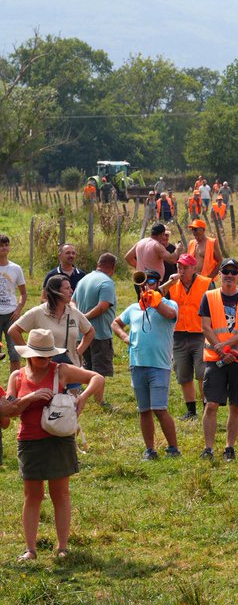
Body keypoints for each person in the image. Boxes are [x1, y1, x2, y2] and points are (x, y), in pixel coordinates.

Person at [8, 328, 104, 560]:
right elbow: (10, 410)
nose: (46, 360)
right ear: (30, 354)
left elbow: (97, 378)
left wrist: (82, 397)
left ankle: (62, 547)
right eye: (41, 356)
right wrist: (30, 398)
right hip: (29, 441)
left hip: (59, 439)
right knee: (32, 496)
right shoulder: (17, 376)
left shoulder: (60, 370)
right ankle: (30, 549)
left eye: (49, 355)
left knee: (60, 494)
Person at [112, 270, 181, 460]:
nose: (147, 285)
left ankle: (173, 448)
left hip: (159, 365)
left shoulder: (169, 304)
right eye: (144, 282)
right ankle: (150, 450)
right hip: (137, 363)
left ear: (158, 283)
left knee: (160, 408)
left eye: (151, 281)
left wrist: (155, 301)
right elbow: (115, 323)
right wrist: (125, 337)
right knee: (144, 410)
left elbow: (170, 314)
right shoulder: (134, 308)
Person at [199, 258, 238, 461]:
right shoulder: (209, 296)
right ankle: (208, 448)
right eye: (226, 271)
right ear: (220, 274)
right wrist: (221, 350)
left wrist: (227, 347)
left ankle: (229, 448)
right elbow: (206, 327)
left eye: (234, 272)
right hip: (216, 359)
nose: (230, 275)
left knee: (236, 405)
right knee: (212, 404)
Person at [10, 276, 94, 381]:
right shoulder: (38, 312)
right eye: (67, 288)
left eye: (71, 288)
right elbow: (13, 331)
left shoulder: (74, 312)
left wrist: (79, 350)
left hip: (71, 369)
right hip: (44, 372)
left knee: (71, 397)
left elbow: (90, 331)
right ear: (55, 292)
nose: (72, 291)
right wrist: (30, 355)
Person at [165, 254, 212, 421]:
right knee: (183, 373)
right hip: (178, 335)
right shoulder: (171, 285)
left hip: (201, 334)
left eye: (185, 267)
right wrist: (169, 282)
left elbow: (214, 307)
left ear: (194, 268)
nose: (181, 270)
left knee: (202, 373)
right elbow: (156, 298)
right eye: (179, 267)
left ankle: (207, 408)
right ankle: (191, 411)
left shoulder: (206, 283)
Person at [73, 253, 116, 405]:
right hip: (100, 333)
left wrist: (79, 317)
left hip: (82, 334)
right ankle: (99, 400)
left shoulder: (84, 280)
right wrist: (85, 317)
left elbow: (72, 302)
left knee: (86, 368)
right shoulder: (107, 282)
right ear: (113, 267)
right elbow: (103, 305)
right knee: (100, 370)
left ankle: (82, 396)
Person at [0, 233, 29, 376]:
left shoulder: (15, 268)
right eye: (1, 245)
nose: (4, 248)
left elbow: (23, 294)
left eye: (6, 245)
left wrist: (18, 310)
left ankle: (14, 387)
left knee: (15, 352)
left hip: (12, 315)